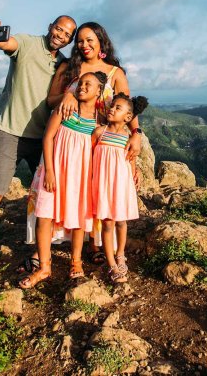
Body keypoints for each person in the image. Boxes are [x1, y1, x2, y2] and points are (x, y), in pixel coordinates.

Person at [0, 15, 77, 290]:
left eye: (67, 34)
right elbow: (5, 43)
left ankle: (40, 251)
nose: (61, 35)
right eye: (59, 28)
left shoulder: (64, 65)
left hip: (42, 137)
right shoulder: (27, 43)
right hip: (9, 131)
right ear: (50, 27)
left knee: (48, 193)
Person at [21, 22, 143, 266]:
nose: (84, 45)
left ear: (101, 41)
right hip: (68, 137)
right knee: (57, 194)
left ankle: (93, 243)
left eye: (90, 40)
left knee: (88, 193)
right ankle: (44, 248)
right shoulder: (69, 67)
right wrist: (69, 93)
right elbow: (50, 99)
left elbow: (126, 106)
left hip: (99, 142)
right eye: (80, 40)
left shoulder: (115, 73)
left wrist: (136, 133)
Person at [19, 71, 108, 289]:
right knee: (44, 215)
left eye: (89, 84)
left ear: (99, 91)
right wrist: (49, 170)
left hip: (81, 176)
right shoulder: (66, 108)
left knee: (79, 218)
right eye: (80, 82)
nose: (82, 86)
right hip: (56, 171)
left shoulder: (99, 118)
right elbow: (48, 137)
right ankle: (44, 267)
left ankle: (76, 262)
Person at [92, 93, 149, 283]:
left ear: (127, 117)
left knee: (121, 222)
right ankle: (112, 264)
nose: (112, 109)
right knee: (107, 223)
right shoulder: (99, 132)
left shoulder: (128, 137)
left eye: (118, 108)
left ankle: (120, 254)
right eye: (112, 106)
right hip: (103, 184)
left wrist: (135, 172)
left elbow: (130, 160)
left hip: (121, 185)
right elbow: (89, 157)